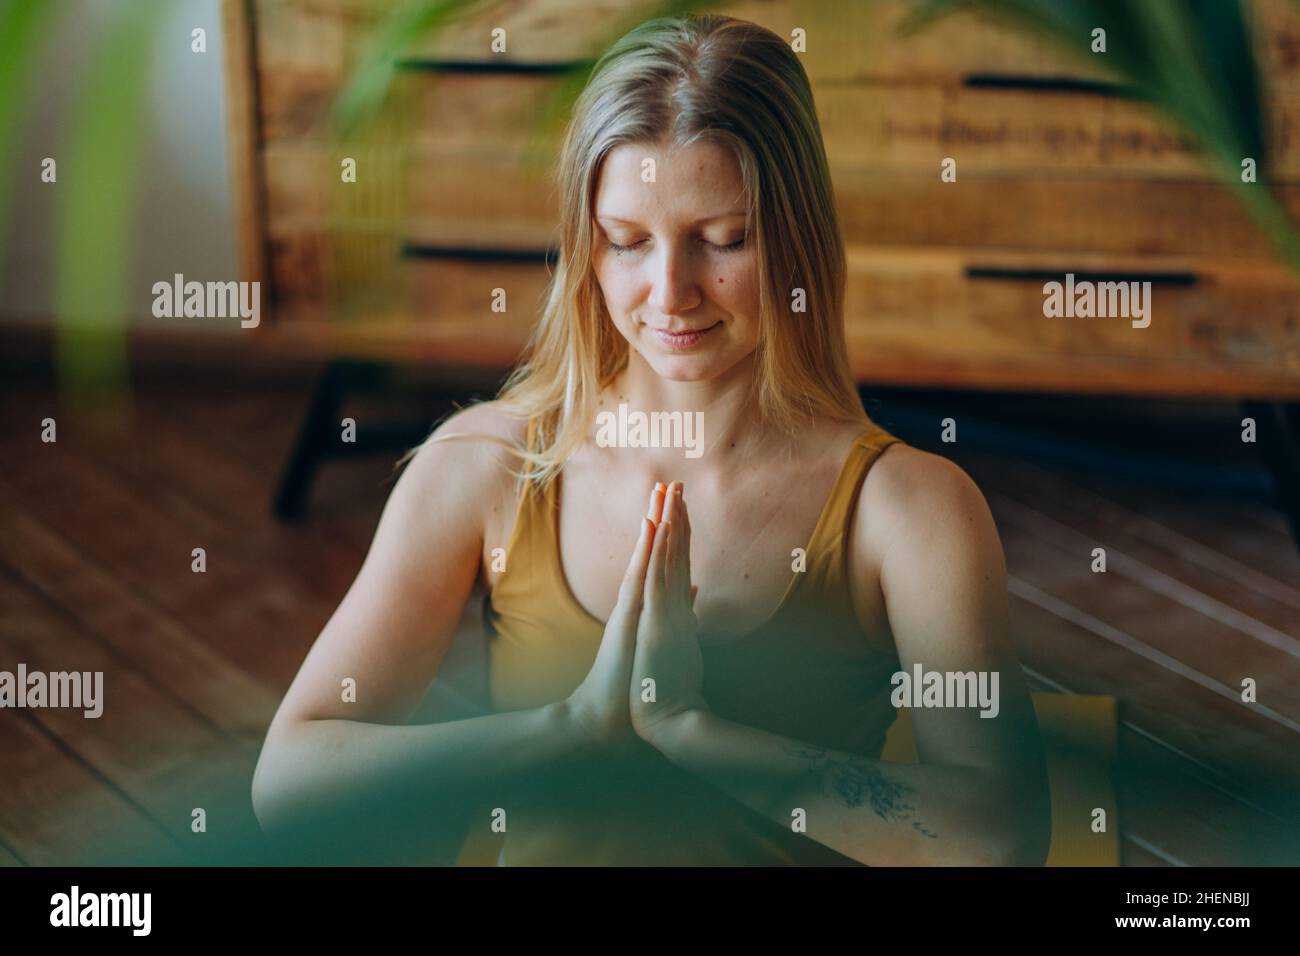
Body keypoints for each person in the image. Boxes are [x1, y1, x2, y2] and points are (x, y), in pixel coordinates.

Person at [251, 13, 1051, 866]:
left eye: (723, 240)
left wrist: (691, 732)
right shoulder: (488, 466)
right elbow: (290, 783)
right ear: (584, 245)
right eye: (627, 242)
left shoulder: (910, 509)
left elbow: (998, 839)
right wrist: (574, 727)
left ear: (796, 238)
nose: (670, 292)